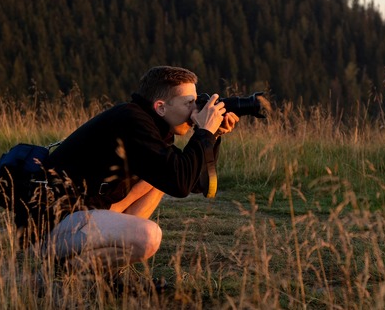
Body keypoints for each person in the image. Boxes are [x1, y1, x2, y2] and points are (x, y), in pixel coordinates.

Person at [38, 66, 239, 272]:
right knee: (148, 237)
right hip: (55, 227)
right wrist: (203, 132)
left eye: (196, 102)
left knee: (158, 180)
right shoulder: (132, 122)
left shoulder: (152, 125)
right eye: (189, 103)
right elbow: (180, 184)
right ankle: (65, 271)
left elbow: (194, 183)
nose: (195, 110)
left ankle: (102, 272)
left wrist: (211, 136)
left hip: (83, 217)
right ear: (160, 107)